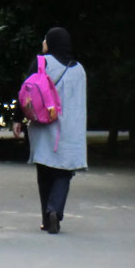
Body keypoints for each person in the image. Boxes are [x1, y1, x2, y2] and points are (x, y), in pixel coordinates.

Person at [12, 27, 87, 234]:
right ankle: (55, 210)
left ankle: (47, 218)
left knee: (44, 172)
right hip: (70, 129)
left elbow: (25, 92)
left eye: (45, 39)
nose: (43, 42)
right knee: (64, 172)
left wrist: (17, 119)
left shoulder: (41, 63)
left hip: (45, 126)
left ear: (51, 42)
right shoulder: (79, 69)